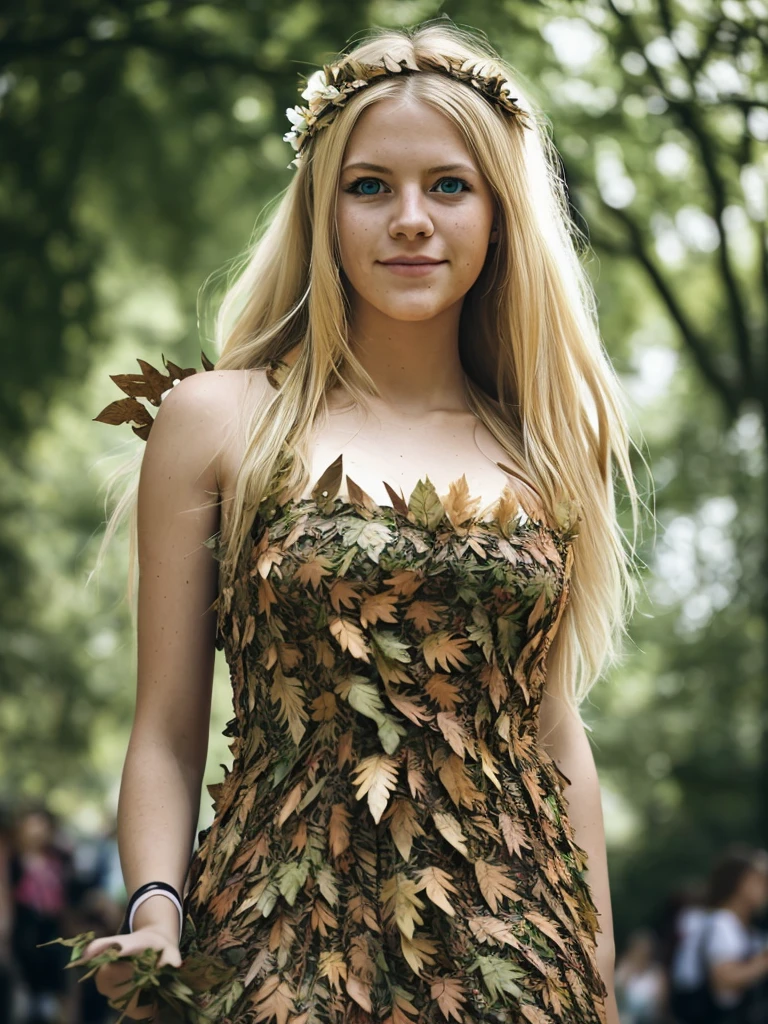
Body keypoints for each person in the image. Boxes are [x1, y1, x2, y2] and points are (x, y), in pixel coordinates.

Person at [56, 18, 643, 1024]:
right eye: (370, 186)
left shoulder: (549, 444)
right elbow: (163, 728)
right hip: (275, 951)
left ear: (501, 214)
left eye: (449, 185)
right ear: (322, 213)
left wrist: (597, 978)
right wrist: (157, 906)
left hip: (517, 965)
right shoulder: (217, 420)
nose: (409, 218)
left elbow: (555, 735)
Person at [669, 846, 768, 1024]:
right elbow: (724, 981)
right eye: (760, 881)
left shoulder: (736, 925)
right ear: (741, 884)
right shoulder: (723, 923)